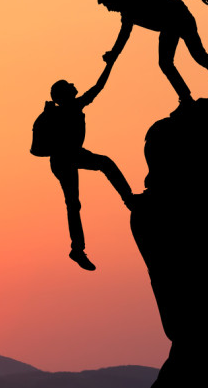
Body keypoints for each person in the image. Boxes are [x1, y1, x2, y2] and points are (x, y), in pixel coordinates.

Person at [98, 0, 208, 110]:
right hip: (168, 27)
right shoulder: (127, 13)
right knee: (167, 63)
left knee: (198, 56)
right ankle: (187, 98)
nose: (109, 9)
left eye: (107, 4)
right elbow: (124, 35)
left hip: (181, 18)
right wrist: (113, 54)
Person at [48, 62, 133, 271]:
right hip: (65, 158)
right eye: (69, 86)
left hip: (69, 156)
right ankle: (77, 248)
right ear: (64, 95)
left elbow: (97, 88)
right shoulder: (71, 107)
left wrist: (110, 63)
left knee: (78, 197)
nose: (73, 86)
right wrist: (111, 64)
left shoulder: (69, 107)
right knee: (75, 200)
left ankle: (77, 248)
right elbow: (98, 87)